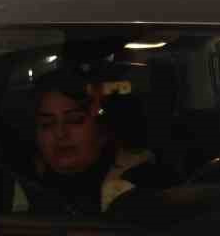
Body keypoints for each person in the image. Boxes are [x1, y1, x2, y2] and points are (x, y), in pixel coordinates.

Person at [15, 68, 167, 217]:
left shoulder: (142, 183)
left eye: (74, 120)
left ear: (103, 129)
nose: (60, 134)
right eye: (47, 124)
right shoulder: (19, 189)